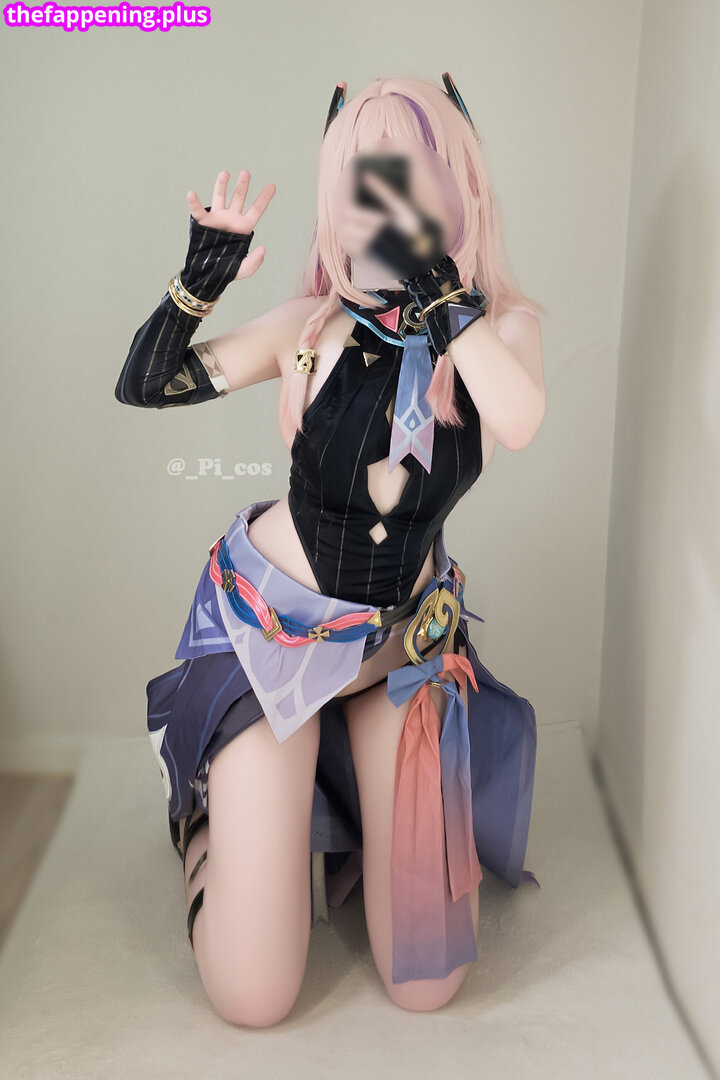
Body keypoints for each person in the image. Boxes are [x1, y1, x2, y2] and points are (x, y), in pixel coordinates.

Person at [115, 74, 545, 1027]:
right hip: (273, 643)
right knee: (254, 996)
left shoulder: (498, 330)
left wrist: (440, 288)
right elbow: (147, 384)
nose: (380, 200)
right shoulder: (310, 327)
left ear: (459, 187)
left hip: (398, 649)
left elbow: (515, 419)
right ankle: (205, 823)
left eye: (405, 174)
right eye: (359, 178)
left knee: (428, 983)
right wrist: (201, 278)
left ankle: (307, 822)